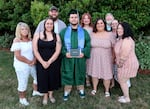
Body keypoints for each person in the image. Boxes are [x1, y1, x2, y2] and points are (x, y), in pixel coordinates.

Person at [59, 9, 91, 101]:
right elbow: (59, 44)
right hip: (68, 58)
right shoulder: (63, 32)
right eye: (72, 17)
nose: (74, 19)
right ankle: (67, 90)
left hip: (80, 57)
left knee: (80, 72)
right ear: (69, 19)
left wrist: (84, 52)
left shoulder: (84, 32)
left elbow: (88, 44)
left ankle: (81, 88)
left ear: (78, 19)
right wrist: (65, 53)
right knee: (68, 72)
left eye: (75, 17)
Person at [10, 22, 42, 106]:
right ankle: (22, 98)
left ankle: (35, 91)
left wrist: (34, 60)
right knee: (23, 81)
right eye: (22, 29)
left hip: (32, 63)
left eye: (26, 29)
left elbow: (35, 51)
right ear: (19, 31)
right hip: (21, 64)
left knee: (37, 77)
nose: (25, 31)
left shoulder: (31, 40)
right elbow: (18, 56)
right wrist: (29, 62)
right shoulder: (17, 40)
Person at [33, 18, 62, 105]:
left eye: (51, 24)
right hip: (41, 61)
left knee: (52, 78)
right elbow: (35, 50)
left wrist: (49, 62)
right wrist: (42, 62)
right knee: (43, 78)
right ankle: (45, 95)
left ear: (53, 26)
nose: (49, 25)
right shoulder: (38, 35)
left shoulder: (56, 36)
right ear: (44, 25)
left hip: (53, 61)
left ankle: (51, 95)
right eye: (47, 24)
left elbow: (58, 51)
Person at [87, 18, 115, 97]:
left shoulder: (110, 34)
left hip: (106, 58)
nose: (100, 25)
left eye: (101, 23)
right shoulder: (92, 34)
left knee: (107, 74)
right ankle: (94, 88)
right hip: (94, 58)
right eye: (98, 23)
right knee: (94, 73)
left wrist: (113, 57)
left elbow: (114, 47)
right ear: (95, 25)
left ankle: (107, 90)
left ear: (104, 24)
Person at [114, 22, 139, 103]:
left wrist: (120, 64)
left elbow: (124, 55)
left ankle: (127, 98)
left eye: (121, 28)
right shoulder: (121, 39)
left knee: (122, 80)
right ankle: (125, 95)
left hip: (127, 64)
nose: (119, 30)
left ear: (126, 30)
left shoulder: (127, 40)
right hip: (125, 63)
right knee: (123, 80)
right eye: (118, 28)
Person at [81, 13, 93, 87]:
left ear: (90, 20)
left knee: (90, 64)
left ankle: (91, 78)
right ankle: (86, 79)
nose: (86, 20)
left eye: (87, 18)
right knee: (84, 64)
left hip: (91, 48)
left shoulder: (93, 29)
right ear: (82, 20)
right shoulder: (79, 29)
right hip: (82, 48)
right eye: (84, 18)